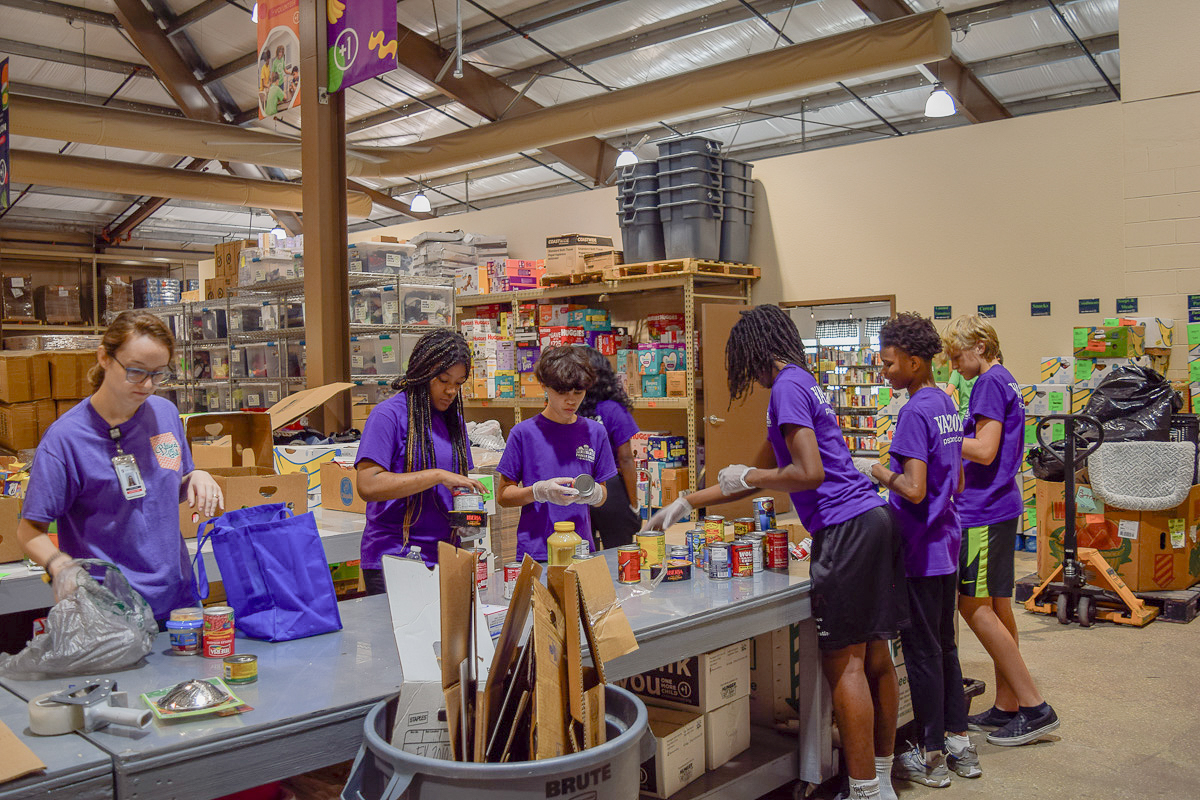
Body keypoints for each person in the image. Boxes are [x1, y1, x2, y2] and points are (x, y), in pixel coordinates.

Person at [646, 305, 906, 800]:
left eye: (744, 364)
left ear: (756, 353)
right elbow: (754, 471)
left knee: (847, 665)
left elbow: (808, 474)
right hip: (873, 519)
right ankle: (883, 779)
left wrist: (753, 477)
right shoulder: (803, 382)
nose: (748, 376)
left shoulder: (785, 387)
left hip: (846, 527)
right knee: (876, 658)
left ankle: (867, 791)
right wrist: (687, 501)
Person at [17, 311, 223, 622]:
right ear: (104, 357)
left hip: (177, 600)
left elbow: (159, 489)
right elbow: (29, 530)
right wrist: (59, 565)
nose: (148, 385)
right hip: (109, 611)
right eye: (136, 371)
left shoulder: (165, 416)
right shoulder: (65, 440)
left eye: (159, 374)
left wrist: (197, 476)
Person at [870, 314, 979, 787]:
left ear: (914, 362)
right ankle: (960, 742)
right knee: (946, 647)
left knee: (922, 653)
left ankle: (931, 756)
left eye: (890, 364)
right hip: (947, 542)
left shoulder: (913, 412)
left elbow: (913, 489)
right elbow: (953, 479)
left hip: (918, 550)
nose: (884, 371)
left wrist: (878, 472)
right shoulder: (946, 404)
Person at [943, 314, 1058, 746]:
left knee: (972, 607)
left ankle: (1034, 707)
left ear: (980, 347)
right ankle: (1009, 703)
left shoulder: (989, 383)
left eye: (957, 357)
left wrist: (943, 430)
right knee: (998, 605)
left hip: (983, 511)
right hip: (1002, 506)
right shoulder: (1007, 379)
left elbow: (986, 450)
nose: (954, 366)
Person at [355, 329, 484, 593]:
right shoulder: (388, 416)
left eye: (459, 383)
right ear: (422, 372)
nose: (451, 391)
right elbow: (368, 486)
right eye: (443, 379)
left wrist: (469, 520)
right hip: (395, 559)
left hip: (445, 557)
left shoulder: (453, 420)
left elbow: (457, 485)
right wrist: (436, 475)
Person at [496, 346, 617, 561]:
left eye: (578, 393)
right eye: (561, 392)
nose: (571, 401)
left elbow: (603, 496)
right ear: (544, 386)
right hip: (536, 551)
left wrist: (594, 494)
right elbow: (503, 496)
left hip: (581, 548)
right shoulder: (523, 434)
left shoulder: (595, 432)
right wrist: (538, 492)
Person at [578, 347, 640, 549]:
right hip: (610, 486)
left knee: (582, 555)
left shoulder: (568, 411)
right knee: (620, 553)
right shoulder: (613, 410)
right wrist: (634, 503)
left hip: (576, 484)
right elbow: (625, 458)